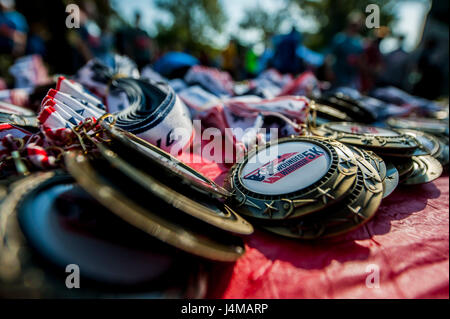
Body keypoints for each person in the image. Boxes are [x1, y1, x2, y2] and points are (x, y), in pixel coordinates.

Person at [327, 12, 364, 88]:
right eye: (353, 24)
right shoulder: (339, 38)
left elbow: (361, 61)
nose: (354, 27)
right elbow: (330, 56)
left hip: (352, 80)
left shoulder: (360, 42)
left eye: (357, 25)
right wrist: (329, 70)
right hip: (338, 78)